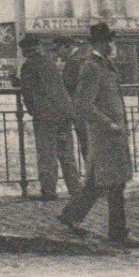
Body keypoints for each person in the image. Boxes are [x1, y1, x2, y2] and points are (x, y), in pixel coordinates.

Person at [59, 23, 139, 248]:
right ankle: (118, 233)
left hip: (112, 135)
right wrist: (109, 124)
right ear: (99, 43)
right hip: (106, 135)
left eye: (112, 41)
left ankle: (70, 215)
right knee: (115, 185)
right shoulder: (92, 67)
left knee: (98, 183)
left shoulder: (105, 65)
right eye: (108, 42)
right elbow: (83, 104)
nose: (112, 46)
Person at [18, 34, 82, 201]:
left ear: (26, 50)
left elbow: (28, 92)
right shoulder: (49, 62)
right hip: (65, 113)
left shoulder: (29, 65)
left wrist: (33, 110)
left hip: (46, 115)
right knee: (66, 152)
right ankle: (75, 189)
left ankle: (49, 191)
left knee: (47, 153)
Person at [59, 37, 90, 164]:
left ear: (67, 46)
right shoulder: (86, 56)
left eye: (58, 50)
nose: (57, 54)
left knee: (86, 144)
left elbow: (67, 87)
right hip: (92, 108)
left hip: (80, 109)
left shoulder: (73, 61)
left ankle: (92, 179)